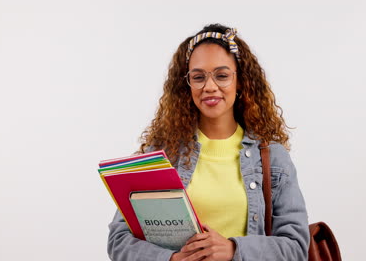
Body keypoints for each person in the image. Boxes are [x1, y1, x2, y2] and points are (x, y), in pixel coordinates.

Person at [107, 23, 310, 261]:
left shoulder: (272, 157)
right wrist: (170, 259)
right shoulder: (161, 154)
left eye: (222, 76)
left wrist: (234, 250)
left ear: (241, 81)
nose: (209, 87)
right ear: (187, 84)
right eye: (198, 77)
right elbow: (119, 240)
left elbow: (296, 247)